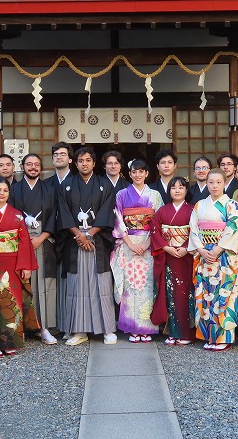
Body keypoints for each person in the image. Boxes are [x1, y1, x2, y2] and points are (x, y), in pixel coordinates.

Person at [56, 147, 117, 345]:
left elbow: (108, 211)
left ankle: (107, 329)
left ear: (94, 163)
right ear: (75, 162)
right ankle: (79, 330)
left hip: (97, 241)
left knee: (102, 285)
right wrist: (79, 235)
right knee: (77, 285)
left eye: (88, 160)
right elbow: (63, 213)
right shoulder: (66, 186)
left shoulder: (104, 185)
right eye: (81, 160)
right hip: (75, 243)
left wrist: (89, 234)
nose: (84, 163)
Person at [0, 177, 38, 356]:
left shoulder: (17, 215)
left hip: (12, 263)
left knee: (12, 302)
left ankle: (11, 341)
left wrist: (25, 266)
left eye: (5, 190)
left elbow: (24, 241)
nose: (1, 193)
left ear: (9, 194)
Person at [188, 168, 238, 351]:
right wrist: (200, 249)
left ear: (224, 183)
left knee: (224, 294)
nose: (214, 186)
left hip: (223, 256)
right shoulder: (199, 205)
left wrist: (218, 249)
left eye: (218, 182)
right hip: (205, 255)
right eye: (211, 182)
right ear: (206, 183)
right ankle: (209, 335)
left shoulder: (232, 205)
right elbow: (194, 229)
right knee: (206, 294)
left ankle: (223, 337)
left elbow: (234, 229)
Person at [111, 159, 164, 342]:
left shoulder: (155, 195)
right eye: (134, 172)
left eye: (141, 171)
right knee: (130, 286)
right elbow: (118, 220)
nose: (138, 175)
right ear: (130, 173)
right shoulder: (121, 194)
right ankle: (132, 327)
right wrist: (130, 244)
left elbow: (158, 223)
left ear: (147, 174)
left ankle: (146, 327)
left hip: (148, 244)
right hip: (129, 244)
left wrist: (148, 242)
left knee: (146, 285)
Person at [10, 153, 59, 345]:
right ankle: (21, 327)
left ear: (41, 168)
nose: (33, 167)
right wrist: (25, 239)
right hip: (20, 243)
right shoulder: (13, 190)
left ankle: (44, 327)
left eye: (36, 164)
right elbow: (10, 215)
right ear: (22, 167)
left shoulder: (50, 190)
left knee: (43, 284)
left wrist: (41, 237)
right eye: (29, 164)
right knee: (22, 284)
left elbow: (56, 214)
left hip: (43, 241)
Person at [151, 177, 195, 345]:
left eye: (181, 187)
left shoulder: (193, 210)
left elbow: (196, 232)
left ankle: (186, 333)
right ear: (169, 191)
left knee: (186, 293)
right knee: (170, 294)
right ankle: (172, 331)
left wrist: (186, 247)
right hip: (169, 256)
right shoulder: (162, 211)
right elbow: (155, 230)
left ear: (186, 190)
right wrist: (166, 247)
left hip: (186, 257)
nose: (177, 190)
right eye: (173, 187)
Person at [46, 142, 75, 338]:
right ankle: (54, 323)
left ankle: (70, 323)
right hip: (51, 236)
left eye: (63, 154)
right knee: (52, 281)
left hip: (73, 238)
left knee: (70, 282)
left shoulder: (77, 181)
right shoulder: (47, 183)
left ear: (70, 159)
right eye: (55, 154)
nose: (59, 157)